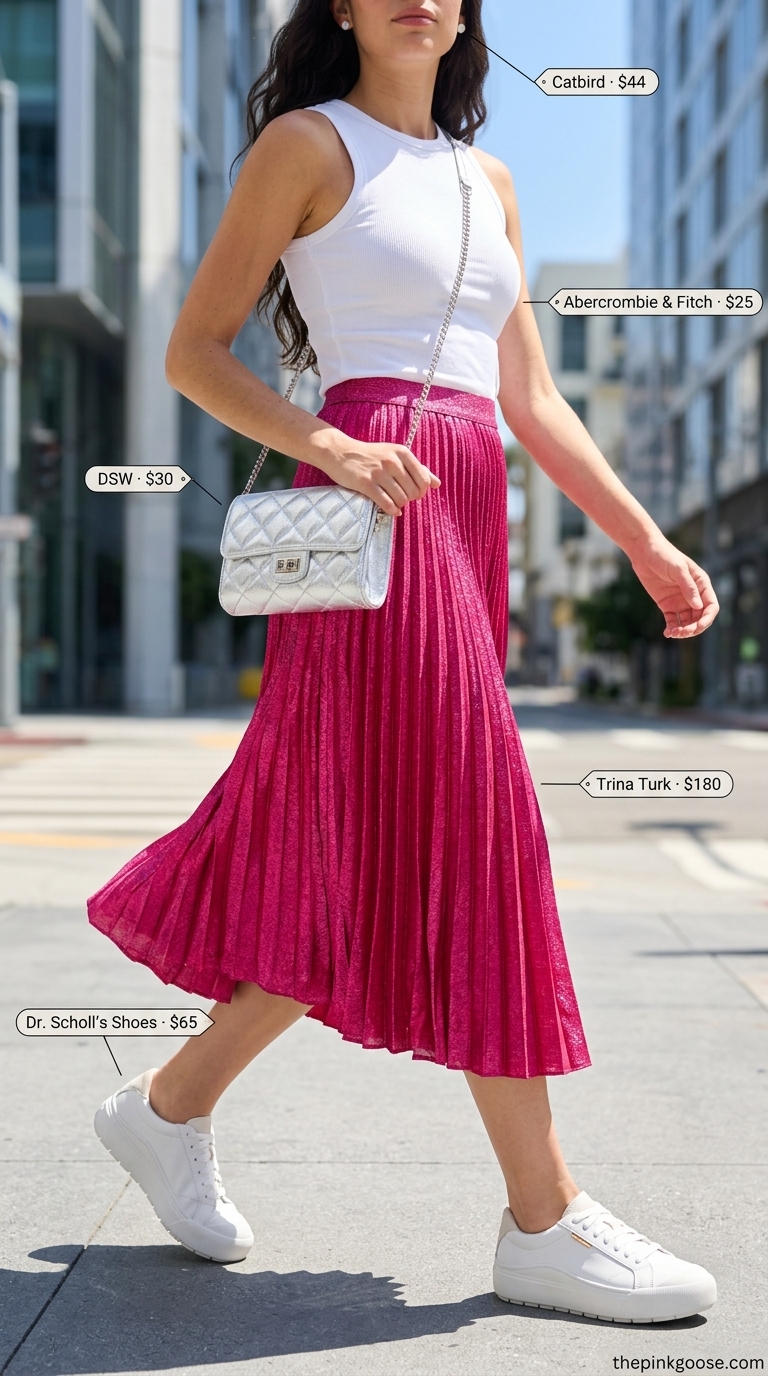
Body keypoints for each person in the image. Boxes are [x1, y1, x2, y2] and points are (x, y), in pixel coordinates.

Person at [88, 0, 719, 1325]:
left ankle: (169, 1107)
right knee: (481, 826)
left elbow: (530, 396)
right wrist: (327, 443)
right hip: (370, 513)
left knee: (362, 845)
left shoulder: (490, 181)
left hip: (468, 510)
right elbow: (194, 353)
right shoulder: (305, 146)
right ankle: (543, 1217)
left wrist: (646, 541)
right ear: (342, 7)